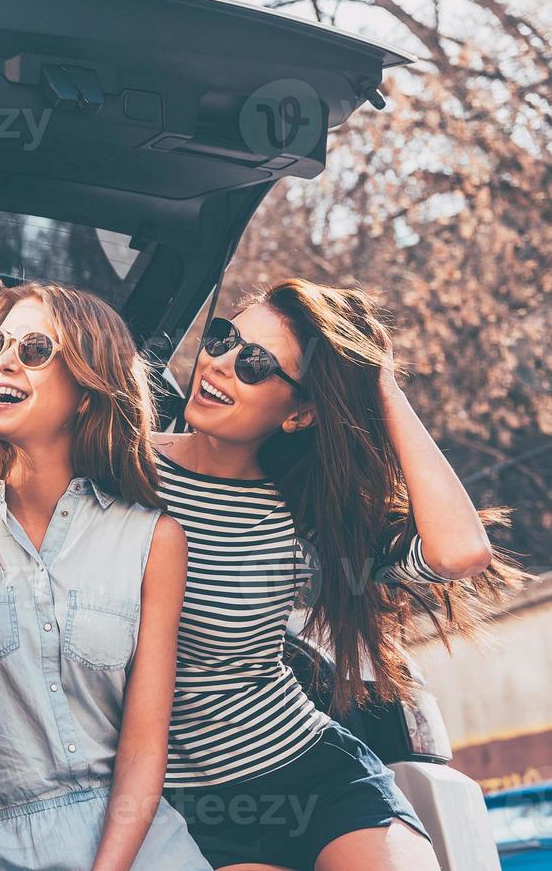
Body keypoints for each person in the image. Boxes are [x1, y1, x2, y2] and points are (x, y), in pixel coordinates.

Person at [156, 278, 522, 870]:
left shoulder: (308, 510)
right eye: (223, 339)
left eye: (254, 364)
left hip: (311, 770)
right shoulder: (125, 472)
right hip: (195, 809)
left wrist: (377, 380)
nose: (220, 365)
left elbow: (459, 552)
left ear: (300, 413)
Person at [0, 280, 209, 871]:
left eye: (36, 350)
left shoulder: (153, 539)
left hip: (138, 843)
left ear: (87, 392)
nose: (2, 362)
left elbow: (143, 750)